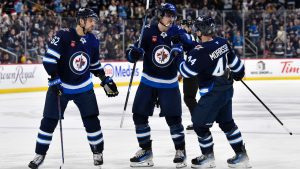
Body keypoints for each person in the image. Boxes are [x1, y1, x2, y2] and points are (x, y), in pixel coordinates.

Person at [28, 8, 119, 169]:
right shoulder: (63, 36)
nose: (93, 23)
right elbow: (49, 60)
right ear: (81, 21)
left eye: (94, 20)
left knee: (92, 121)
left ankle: (97, 151)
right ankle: (40, 154)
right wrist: (55, 77)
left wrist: (104, 78)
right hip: (61, 87)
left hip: (83, 88)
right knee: (48, 121)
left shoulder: (93, 40)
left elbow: (94, 65)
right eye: (90, 20)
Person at [170, 15, 251, 168]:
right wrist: (238, 75)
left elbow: (186, 71)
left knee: (199, 124)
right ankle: (242, 155)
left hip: (213, 93)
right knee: (227, 123)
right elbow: (238, 68)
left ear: (200, 31)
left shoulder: (200, 51)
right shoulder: (222, 42)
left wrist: (177, 53)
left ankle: (208, 157)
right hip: (226, 88)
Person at [125, 3, 193, 168]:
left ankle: (180, 151)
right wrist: (133, 54)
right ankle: (146, 151)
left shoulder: (177, 31)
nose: (171, 18)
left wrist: (184, 44)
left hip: (169, 84)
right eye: (168, 15)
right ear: (160, 15)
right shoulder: (147, 31)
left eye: (172, 15)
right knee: (139, 116)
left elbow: (192, 46)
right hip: (148, 81)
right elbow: (130, 54)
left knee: (174, 119)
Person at [178, 19, 199, 131]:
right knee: (190, 98)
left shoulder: (188, 36)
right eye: (181, 25)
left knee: (189, 98)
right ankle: (198, 121)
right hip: (191, 71)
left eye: (184, 26)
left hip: (192, 72)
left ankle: (198, 121)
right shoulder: (189, 36)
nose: (182, 27)